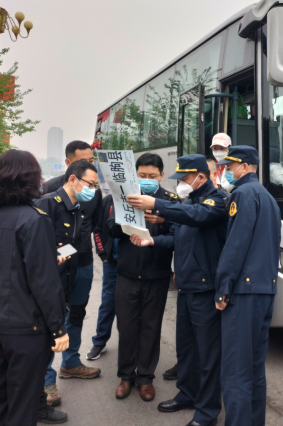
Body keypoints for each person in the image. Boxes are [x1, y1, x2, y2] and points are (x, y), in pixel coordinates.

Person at [127, 154, 228, 426]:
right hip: (185, 286)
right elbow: (178, 239)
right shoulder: (189, 202)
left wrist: (157, 204)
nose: (180, 184)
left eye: (184, 179)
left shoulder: (216, 201)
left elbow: (197, 217)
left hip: (205, 289)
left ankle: (207, 411)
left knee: (207, 354)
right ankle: (188, 394)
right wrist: (153, 241)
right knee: (186, 348)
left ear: (201, 177)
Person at [0, 150, 69, 425]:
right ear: (31, 179)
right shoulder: (35, 219)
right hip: (26, 327)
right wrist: (58, 328)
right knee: (24, 400)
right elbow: (45, 282)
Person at [215, 146, 281, 426]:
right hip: (265, 290)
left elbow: (236, 245)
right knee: (254, 368)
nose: (227, 172)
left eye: (230, 167)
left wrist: (223, 286)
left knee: (235, 371)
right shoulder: (268, 197)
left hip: (243, 292)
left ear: (244, 166)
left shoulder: (242, 195)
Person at [107, 153, 177, 402]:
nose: (146, 179)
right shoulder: (124, 196)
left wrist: (163, 219)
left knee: (150, 327)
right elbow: (110, 229)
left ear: (161, 176)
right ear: (135, 175)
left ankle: (145, 377)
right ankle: (126, 376)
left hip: (156, 275)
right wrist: (127, 217)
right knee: (126, 327)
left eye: (152, 176)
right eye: (142, 175)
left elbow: (178, 237)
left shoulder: (170, 201)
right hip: (126, 274)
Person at [41, 141, 103, 404]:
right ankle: (46, 380)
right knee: (51, 317)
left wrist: (103, 253)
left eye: (92, 159)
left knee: (77, 312)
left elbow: (96, 226)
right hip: (56, 266)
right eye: (83, 161)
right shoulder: (48, 192)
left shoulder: (92, 191)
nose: (90, 164)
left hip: (83, 262)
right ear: (69, 167)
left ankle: (71, 362)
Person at [86, 193, 116, 361]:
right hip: (111, 263)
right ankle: (100, 341)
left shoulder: (141, 199)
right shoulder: (108, 201)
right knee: (108, 303)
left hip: (133, 265)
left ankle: (132, 344)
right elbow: (98, 230)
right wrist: (103, 254)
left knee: (132, 306)